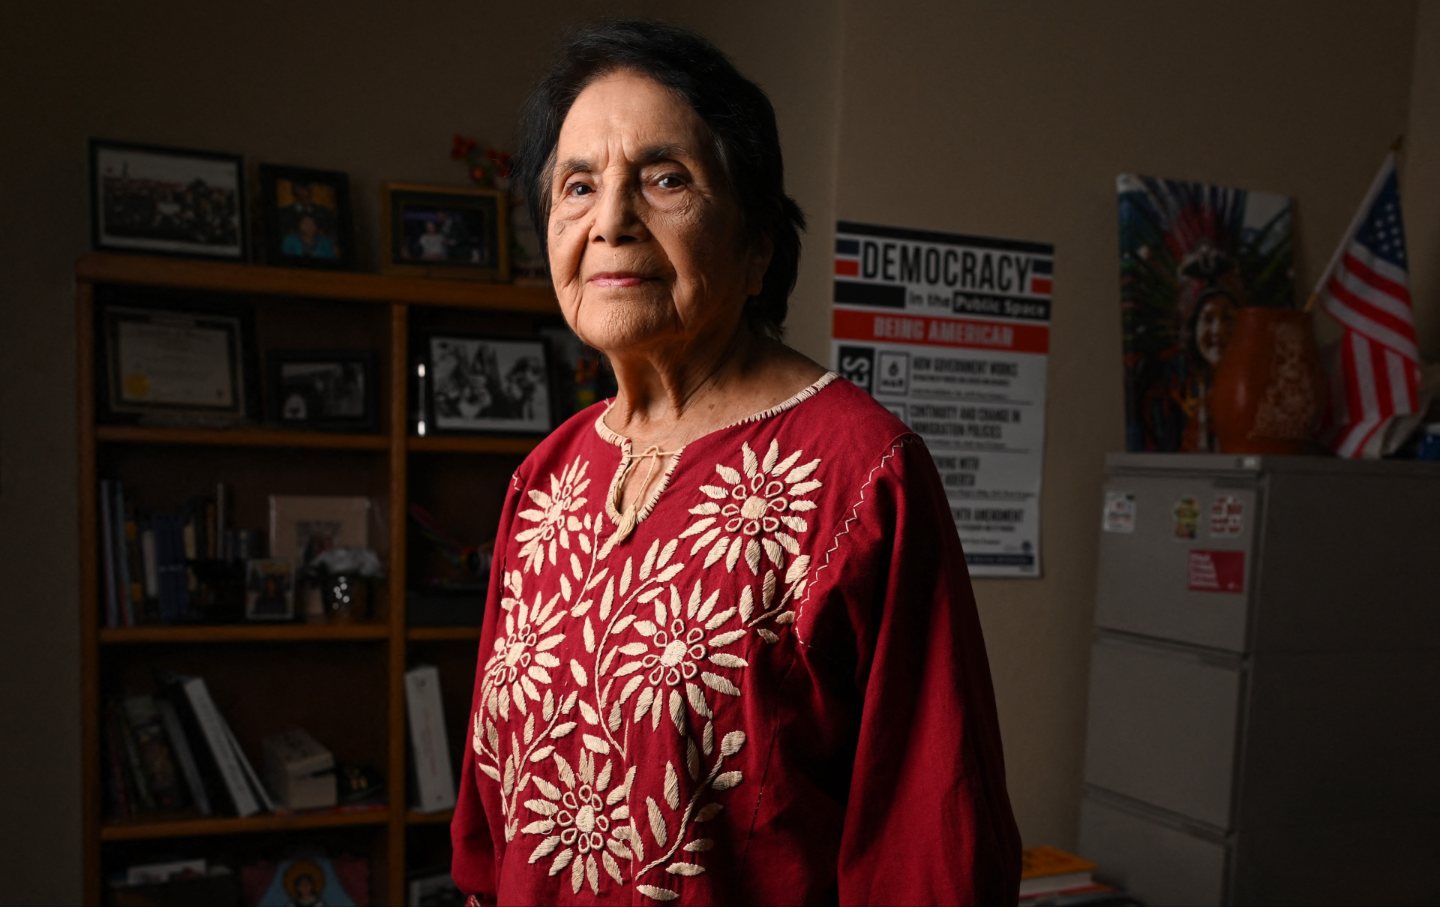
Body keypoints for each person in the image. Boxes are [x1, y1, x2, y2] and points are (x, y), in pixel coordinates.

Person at [451, 19, 1020, 906]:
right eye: (577, 186)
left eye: (665, 179)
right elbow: (489, 841)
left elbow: (930, 851)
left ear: (757, 242)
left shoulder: (864, 477)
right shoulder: (545, 478)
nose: (611, 223)